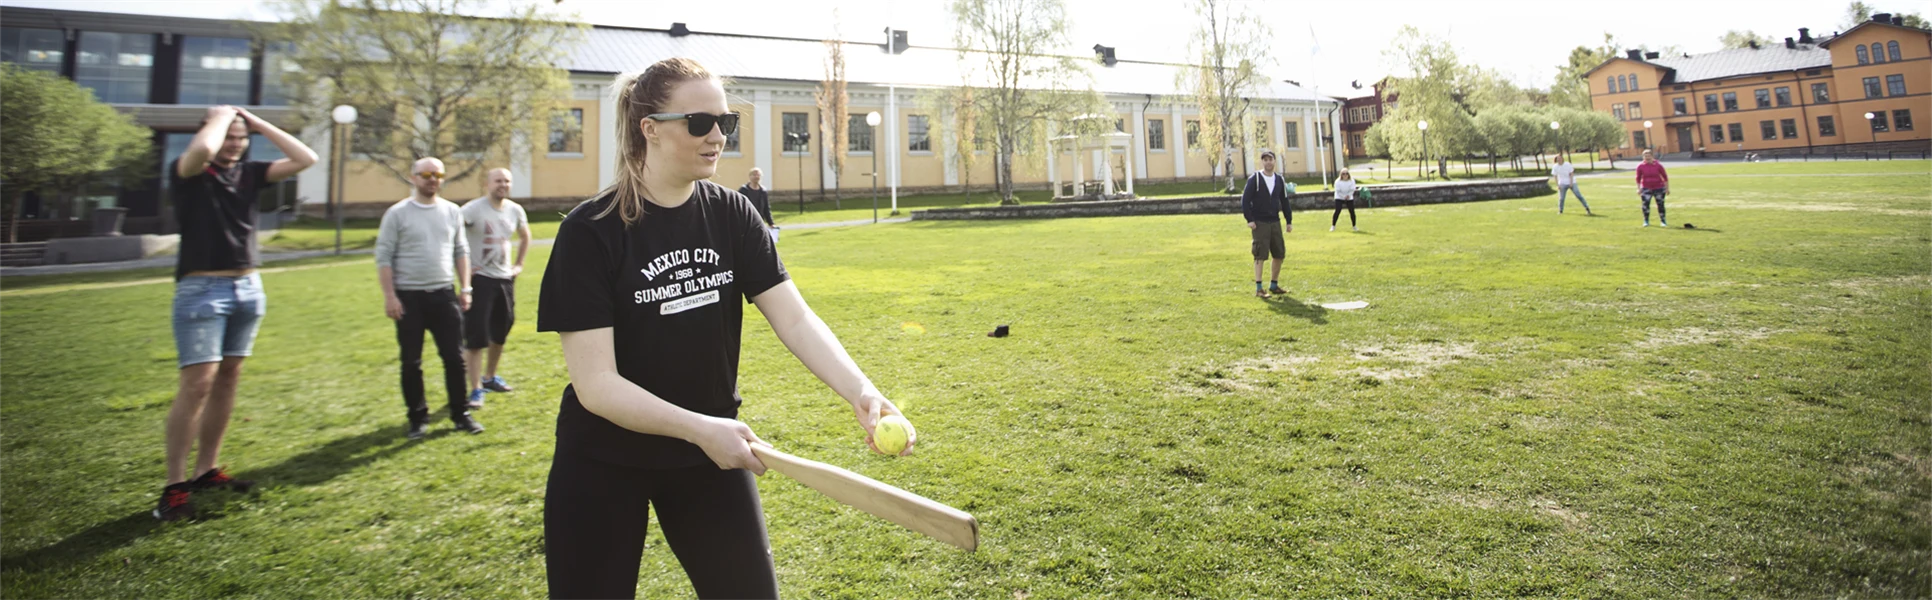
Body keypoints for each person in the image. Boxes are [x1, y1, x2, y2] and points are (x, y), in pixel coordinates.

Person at [538, 57, 913, 600]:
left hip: (709, 454)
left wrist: (862, 391)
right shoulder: (590, 232)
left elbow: (795, 318)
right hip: (603, 459)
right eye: (699, 123)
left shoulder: (733, 215)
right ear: (650, 129)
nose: (718, 136)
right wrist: (700, 428)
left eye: (726, 121)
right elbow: (597, 385)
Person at [155, 105, 317, 521]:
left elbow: (306, 158)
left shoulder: (250, 172)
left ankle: (206, 471)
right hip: (202, 289)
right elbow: (202, 150)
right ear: (211, 132)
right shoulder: (189, 171)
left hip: (247, 287)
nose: (236, 144)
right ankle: (174, 488)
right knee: (197, 385)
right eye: (229, 136)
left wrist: (256, 122)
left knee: (228, 378)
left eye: (241, 138)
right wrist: (221, 116)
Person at [375, 157, 483, 439]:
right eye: (425, 174)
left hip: (443, 295)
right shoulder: (397, 214)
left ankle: (461, 414)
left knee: (454, 358)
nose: (432, 179)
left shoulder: (451, 211)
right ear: (413, 178)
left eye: (438, 174)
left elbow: (461, 250)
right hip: (408, 297)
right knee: (411, 361)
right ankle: (417, 418)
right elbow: (384, 257)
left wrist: (466, 288)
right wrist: (390, 297)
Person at [460, 167, 532, 409]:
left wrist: (518, 265)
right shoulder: (472, 209)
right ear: (487, 184)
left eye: (507, 181)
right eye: (498, 180)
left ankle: (489, 377)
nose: (503, 185)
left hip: (504, 279)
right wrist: (464, 268)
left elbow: (525, 236)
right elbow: (452, 234)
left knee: (501, 330)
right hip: (480, 279)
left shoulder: (514, 210)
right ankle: (475, 389)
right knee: (476, 336)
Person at [1240, 150, 1292, 298]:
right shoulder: (1255, 179)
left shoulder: (1279, 179)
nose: (1268, 162)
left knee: (1279, 253)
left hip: (1275, 221)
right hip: (1259, 222)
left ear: (1275, 161)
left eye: (1271, 159)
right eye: (1265, 160)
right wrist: (1250, 219)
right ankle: (1259, 288)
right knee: (1260, 254)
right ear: (1262, 162)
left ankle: (1274, 285)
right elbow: (1245, 200)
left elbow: (1284, 201)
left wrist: (1289, 221)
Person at [738, 167, 776, 244]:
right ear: (750, 176)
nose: (756, 177)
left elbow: (766, 208)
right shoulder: (744, 190)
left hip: (759, 220)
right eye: (754, 175)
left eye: (758, 175)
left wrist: (771, 223)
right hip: (746, 221)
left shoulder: (763, 191)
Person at [1635, 149, 1670, 227]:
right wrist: (1638, 188)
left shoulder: (1658, 165)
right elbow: (1638, 178)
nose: (1647, 158)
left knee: (1660, 204)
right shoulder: (1640, 166)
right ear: (1643, 157)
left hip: (1659, 187)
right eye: (1645, 156)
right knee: (1645, 205)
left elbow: (1665, 177)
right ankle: (1646, 221)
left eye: (1649, 156)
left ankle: (1663, 221)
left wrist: (1667, 188)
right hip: (1646, 188)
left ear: (1652, 156)